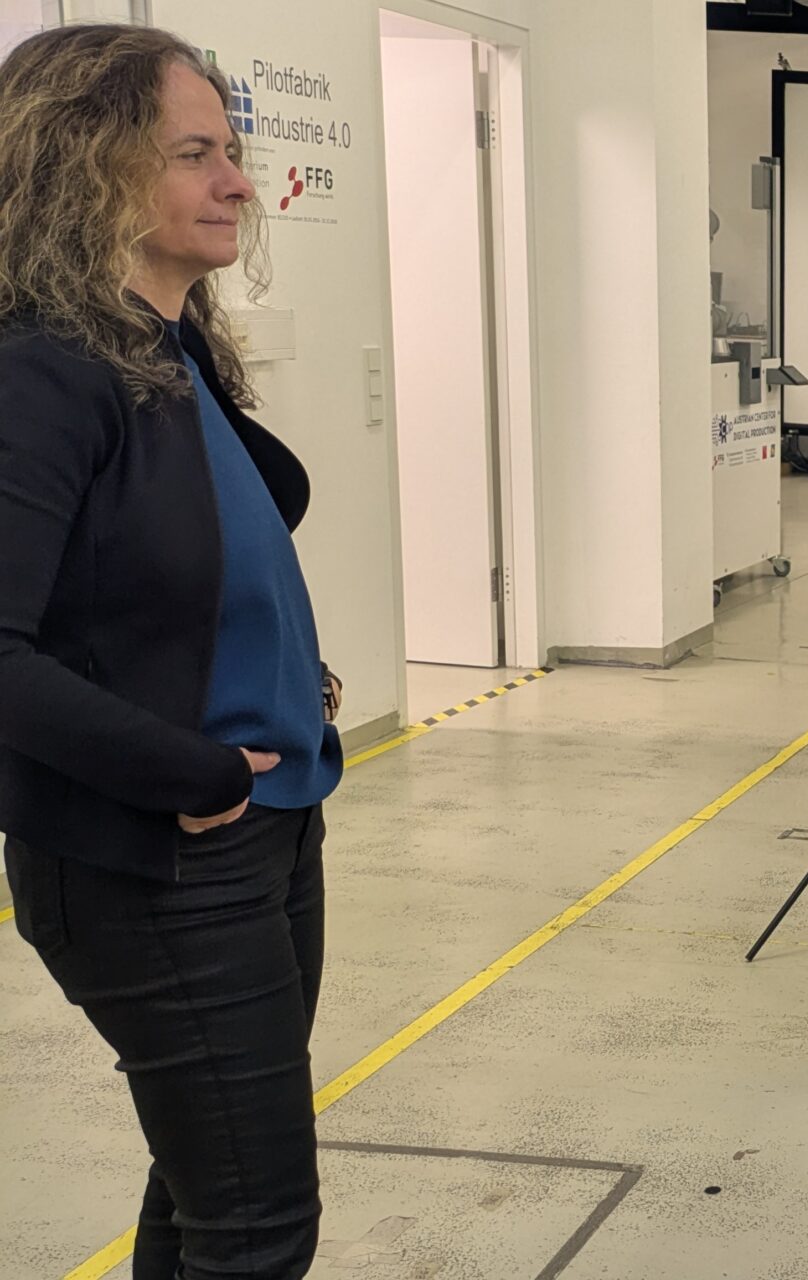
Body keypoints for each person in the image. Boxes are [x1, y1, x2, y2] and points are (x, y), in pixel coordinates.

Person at [0, 24, 343, 1278]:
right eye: (195, 155)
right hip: (161, 856)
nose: (239, 183)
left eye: (231, 152)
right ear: (84, 166)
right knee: (257, 1226)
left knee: (211, 1188)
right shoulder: (41, 370)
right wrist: (192, 772)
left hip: (268, 823)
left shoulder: (164, 345)